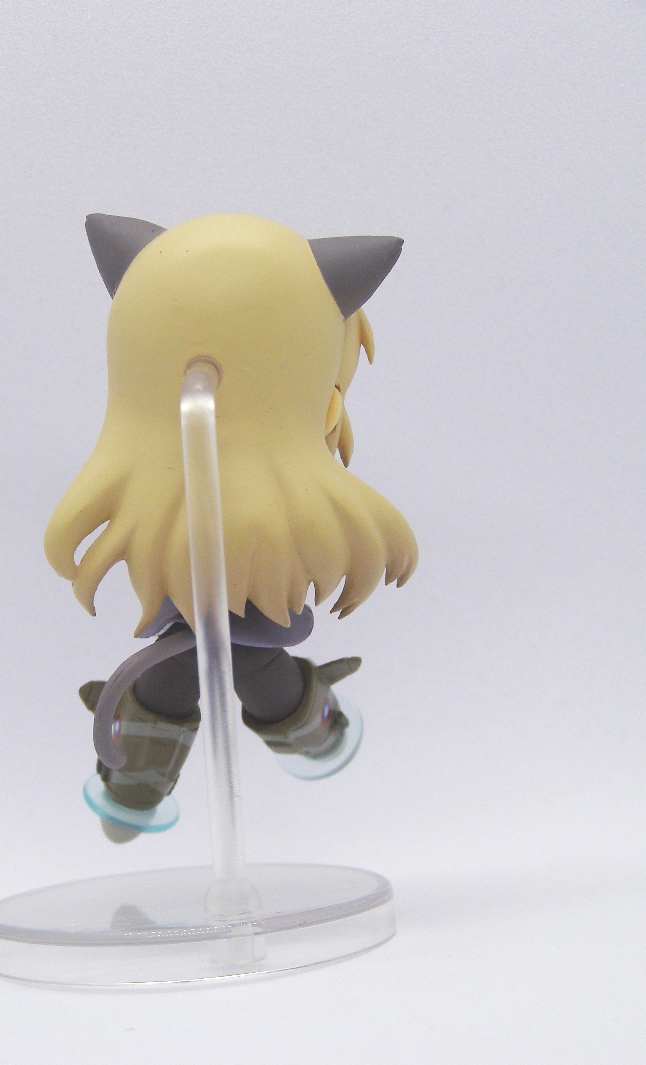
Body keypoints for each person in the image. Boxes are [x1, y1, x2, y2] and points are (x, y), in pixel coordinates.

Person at [45, 214, 418, 840]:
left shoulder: (272, 503)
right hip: (193, 592)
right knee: (192, 673)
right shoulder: (174, 490)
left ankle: (290, 732)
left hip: (236, 599)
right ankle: (143, 779)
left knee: (240, 668)